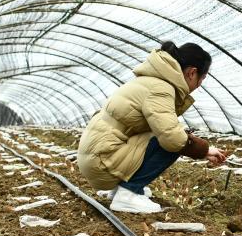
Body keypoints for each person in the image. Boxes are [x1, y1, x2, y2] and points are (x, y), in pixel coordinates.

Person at [77, 41, 226, 213]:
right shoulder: (161, 88)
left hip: (96, 157)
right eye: (202, 78)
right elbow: (173, 138)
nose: (199, 85)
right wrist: (202, 150)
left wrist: (203, 149)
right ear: (192, 73)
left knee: (166, 134)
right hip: (101, 162)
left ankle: (121, 189)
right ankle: (128, 193)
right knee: (173, 142)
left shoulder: (150, 81)